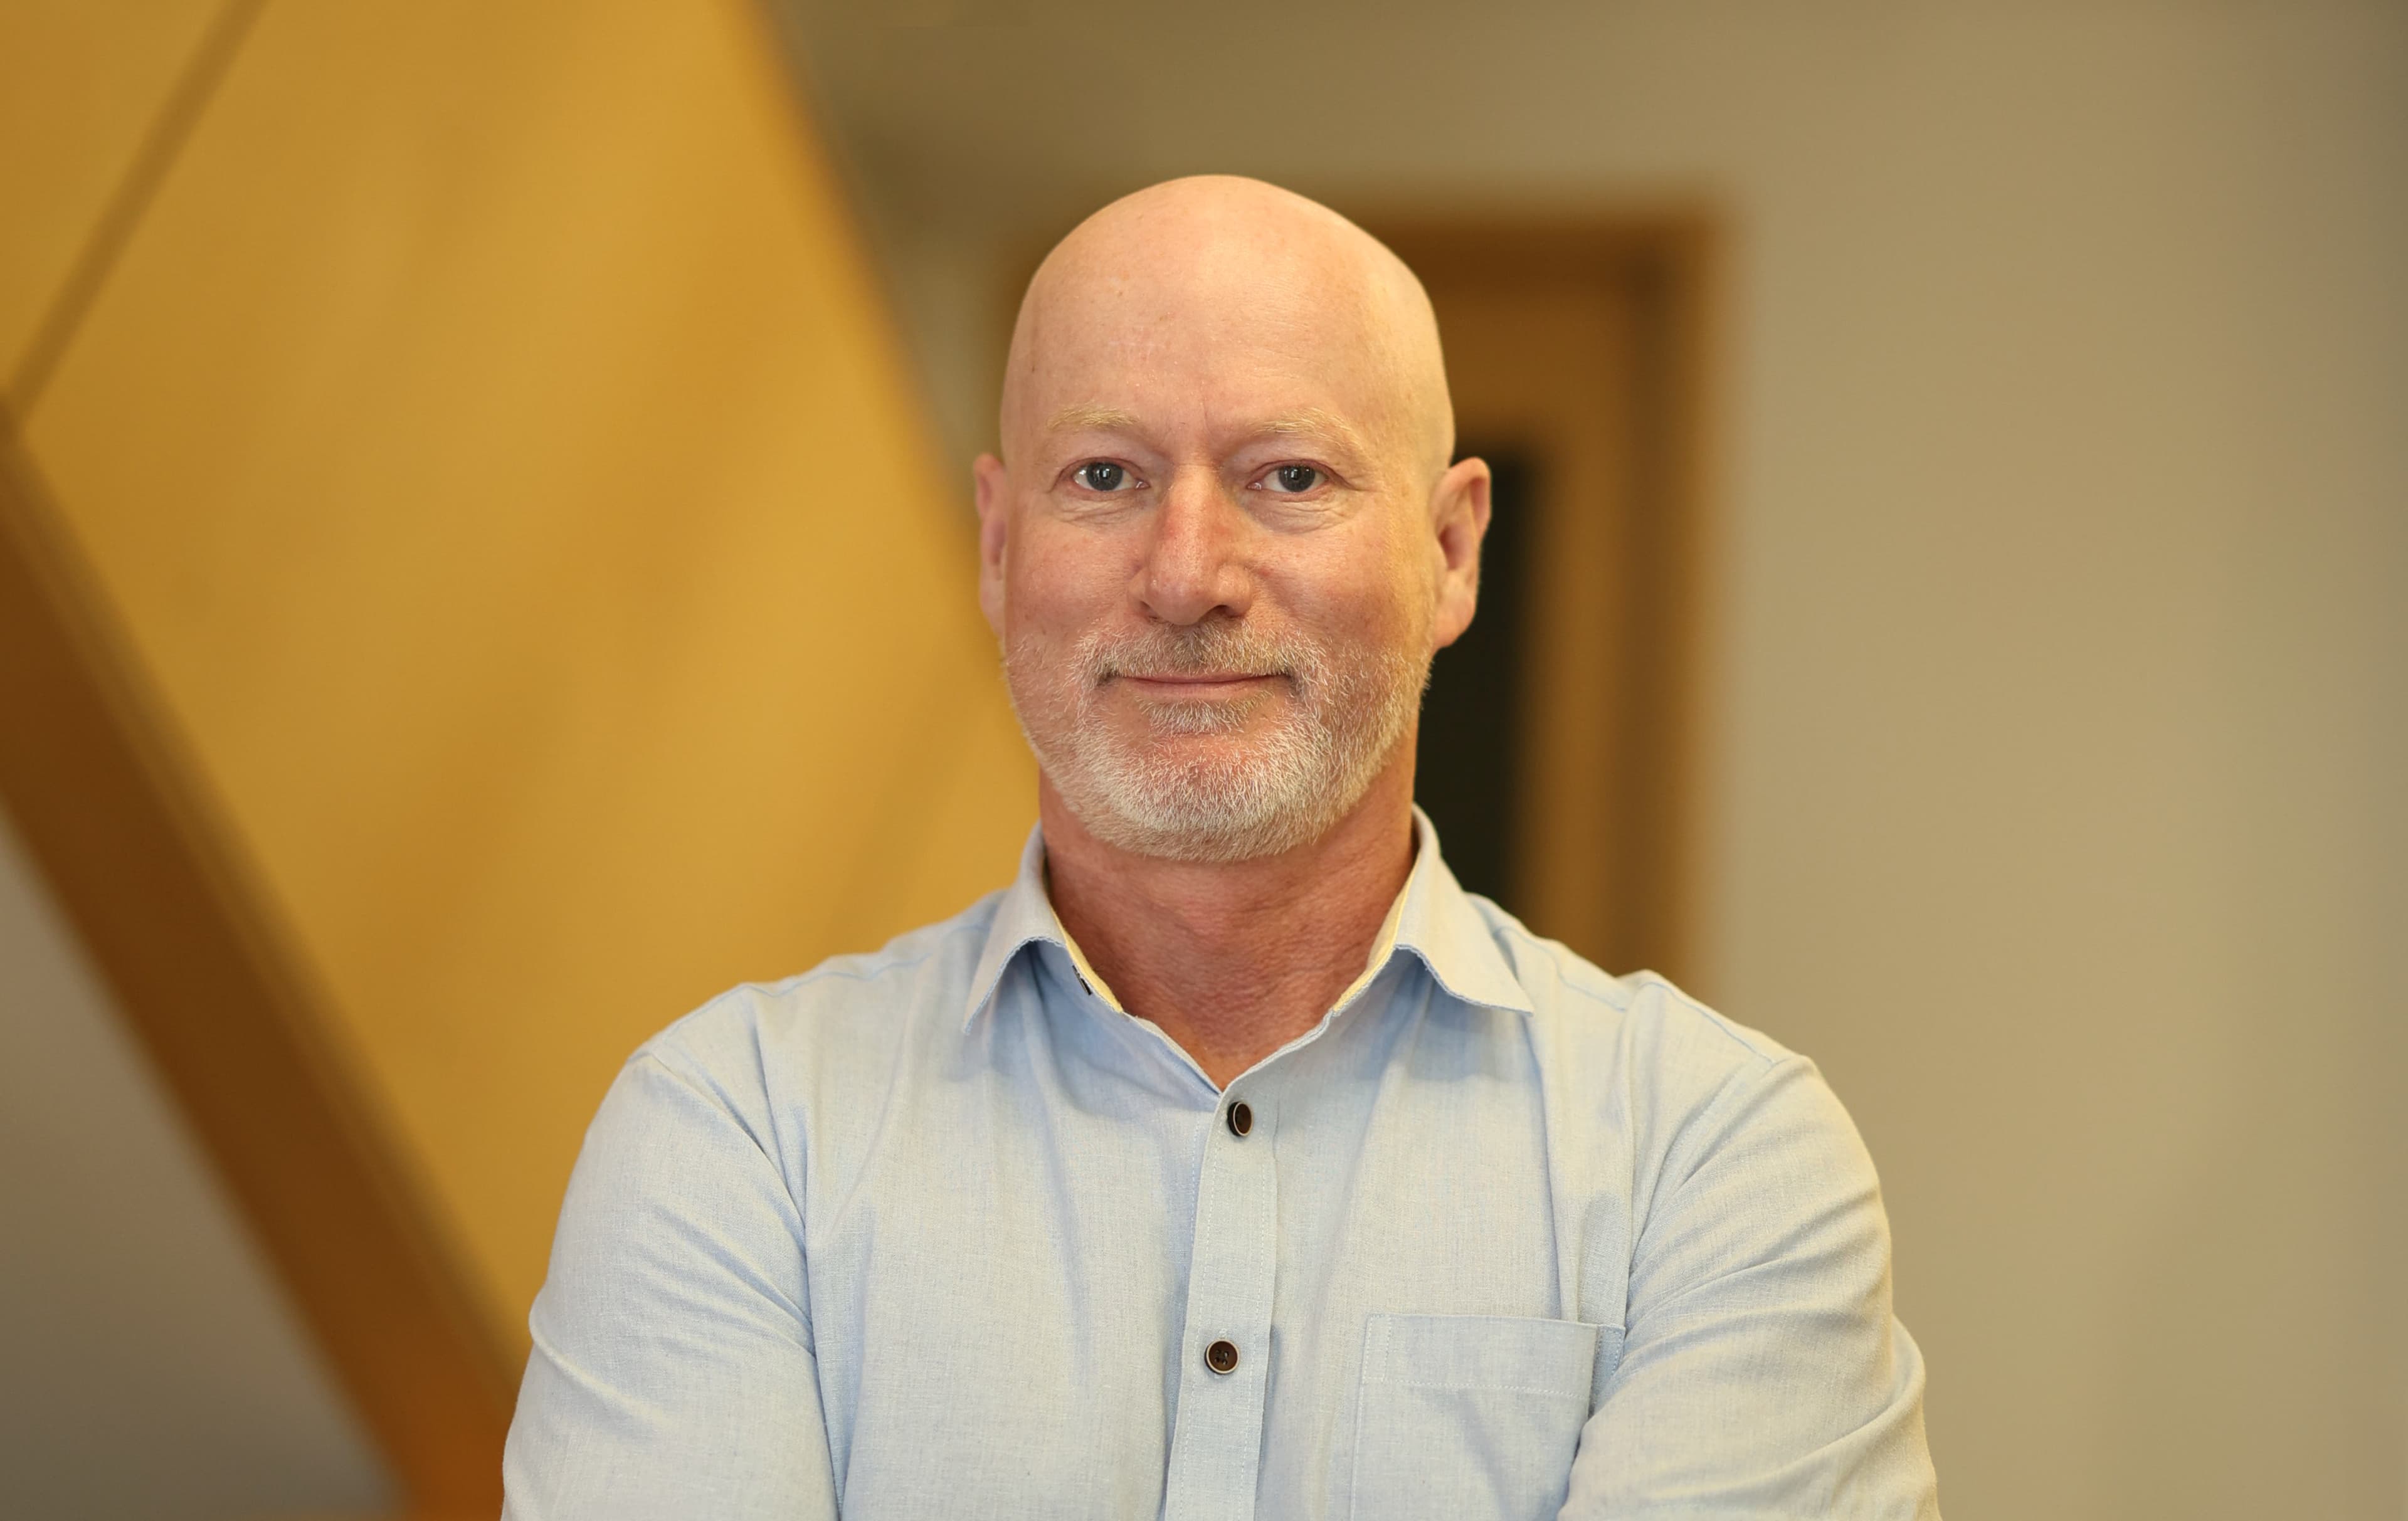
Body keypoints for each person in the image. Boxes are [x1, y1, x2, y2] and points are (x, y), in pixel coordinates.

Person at [501, 175, 1940, 1520]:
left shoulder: (1717, 1167)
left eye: (1290, 477)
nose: (1186, 574)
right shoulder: (741, 1140)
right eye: (1109, 477)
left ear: (1451, 554)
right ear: (1000, 550)